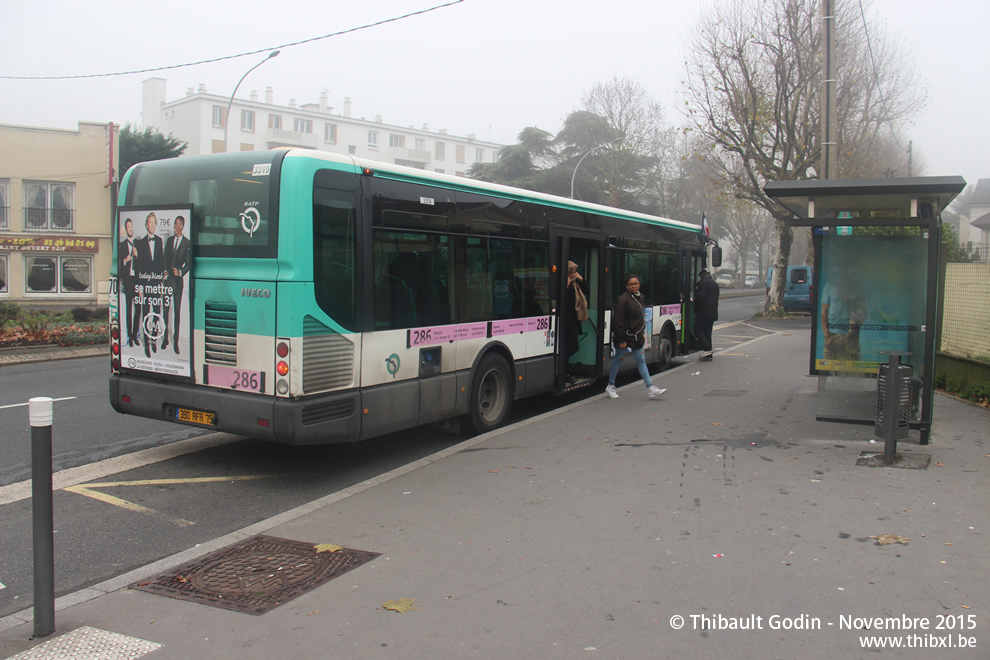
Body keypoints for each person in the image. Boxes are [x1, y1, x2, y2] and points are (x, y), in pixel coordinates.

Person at [606, 274, 666, 399]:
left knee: (641, 361)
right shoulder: (623, 300)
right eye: (631, 284)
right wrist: (621, 339)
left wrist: (642, 332)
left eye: (636, 283)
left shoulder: (640, 297)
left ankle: (650, 387)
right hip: (624, 336)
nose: (634, 286)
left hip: (636, 335)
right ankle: (610, 385)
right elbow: (618, 321)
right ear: (626, 286)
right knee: (618, 360)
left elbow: (640, 317)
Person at [136, 212, 165, 358]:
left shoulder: (159, 241)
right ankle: (146, 342)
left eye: (154, 222)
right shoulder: (140, 243)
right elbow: (139, 266)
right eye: (150, 222)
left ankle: (154, 339)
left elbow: (160, 263)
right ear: (146, 225)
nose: (152, 225)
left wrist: (161, 282)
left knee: (157, 313)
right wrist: (140, 287)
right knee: (146, 312)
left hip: (156, 284)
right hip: (145, 284)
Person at [820, 269, 864, 362]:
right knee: (829, 367)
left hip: (851, 335)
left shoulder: (855, 288)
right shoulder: (829, 286)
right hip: (834, 334)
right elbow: (824, 312)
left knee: (852, 367)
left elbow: (863, 312)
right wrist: (827, 336)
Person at [163, 215, 191, 354]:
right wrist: (164, 272)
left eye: (175, 224)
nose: (174, 226)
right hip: (168, 281)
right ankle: (164, 339)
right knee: (165, 310)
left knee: (177, 312)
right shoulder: (169, 241)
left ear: (181, 226)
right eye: (174, 224)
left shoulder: (187, 243)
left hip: (178, 282)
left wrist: (180, 272)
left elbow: (189, 263)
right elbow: (165, 259)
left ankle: (176, 342)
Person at [117, 218, 141, 347]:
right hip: (128, 281)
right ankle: (129, 337)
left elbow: (143, 265)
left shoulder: (139, 244)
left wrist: (137, 256)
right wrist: (125, 260)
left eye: (131, 226)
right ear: (126, 230)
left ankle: (135, 336)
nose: (130, 228)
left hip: (137, 280)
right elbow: (118, 267)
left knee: (138, 308)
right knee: (128, 308)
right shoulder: (121, 246)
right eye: (128, 227)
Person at [694, 268, 720, 361]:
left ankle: (707, 348)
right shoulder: (714, 284)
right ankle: (709, 354)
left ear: (704, 274)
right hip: (712, 313)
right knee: (708, 333)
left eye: (701, 276)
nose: (700, 278)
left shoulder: (703, 283)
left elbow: (700, 297)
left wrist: (695, 306)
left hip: (703, 313)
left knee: (697, 330)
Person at [565, 261, 589, 359]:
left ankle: (564, 367)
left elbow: (587, 290)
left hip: (573, 318)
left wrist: (580, 278)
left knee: (574, 346)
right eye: (571, 272)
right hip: (566, 319)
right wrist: (567, 282)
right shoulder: (565, 284)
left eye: (575, 272)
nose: (573, 274)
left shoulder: (575, 285)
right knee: (571, 346)